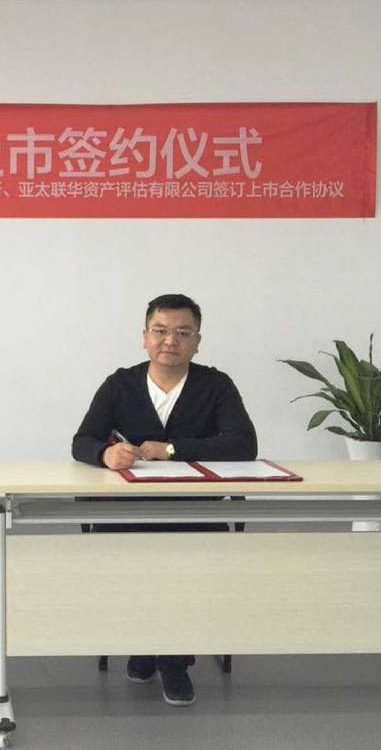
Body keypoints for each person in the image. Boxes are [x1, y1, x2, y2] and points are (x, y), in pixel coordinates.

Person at [71, 293, 257, 707]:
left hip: (195, 507)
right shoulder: (120, 384)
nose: (170, 340)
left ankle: (173, 662)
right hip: (127, 509)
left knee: (186, 571)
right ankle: (142, 645)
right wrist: (105, 454)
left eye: (183, 332)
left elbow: (243, 444)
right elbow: (81, 440)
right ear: (144, 336)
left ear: (197, 341)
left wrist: (172, 450)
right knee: (133, 566)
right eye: (160, 330)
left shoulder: (215, 385)